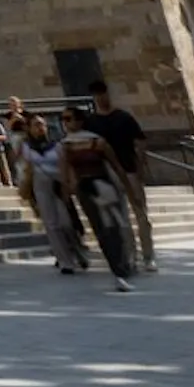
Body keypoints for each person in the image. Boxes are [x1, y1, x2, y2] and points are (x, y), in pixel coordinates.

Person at [59, 106, 137, 290]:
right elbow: (64, 173)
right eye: (64, 119)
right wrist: (66, 194)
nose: (66, 123)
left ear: (79, 120)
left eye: (69, 118)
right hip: (86, 190)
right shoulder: (67, 145)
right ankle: (118, 269)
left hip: (103, 186)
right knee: (102, 229)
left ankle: (122, 265)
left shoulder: (95, 142)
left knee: (115, 226)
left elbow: (116, 166)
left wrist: (129, 189)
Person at [85, 80, 155, 273]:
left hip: (129, 169)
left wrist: (141, 167)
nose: (100, 97)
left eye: (103, 93)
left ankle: (148, 256)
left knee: (141, 214)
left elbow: (140, 142)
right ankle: (130, 255)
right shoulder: (91, 122)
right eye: (97, 94)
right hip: (108, 173)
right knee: (121, 218)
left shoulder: (123, 117)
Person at [16, 112, 87, 274]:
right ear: (29, 128)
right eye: (36, 125)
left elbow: (65, 165)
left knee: (66, 223)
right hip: (40, 185)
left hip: (57, 183)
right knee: (51, 224)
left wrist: (68, 184)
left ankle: (78, 250)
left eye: (42, 125)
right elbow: (21, 166)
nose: (40, 128)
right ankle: (65, 261)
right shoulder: (26, 146)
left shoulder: (56, 145)